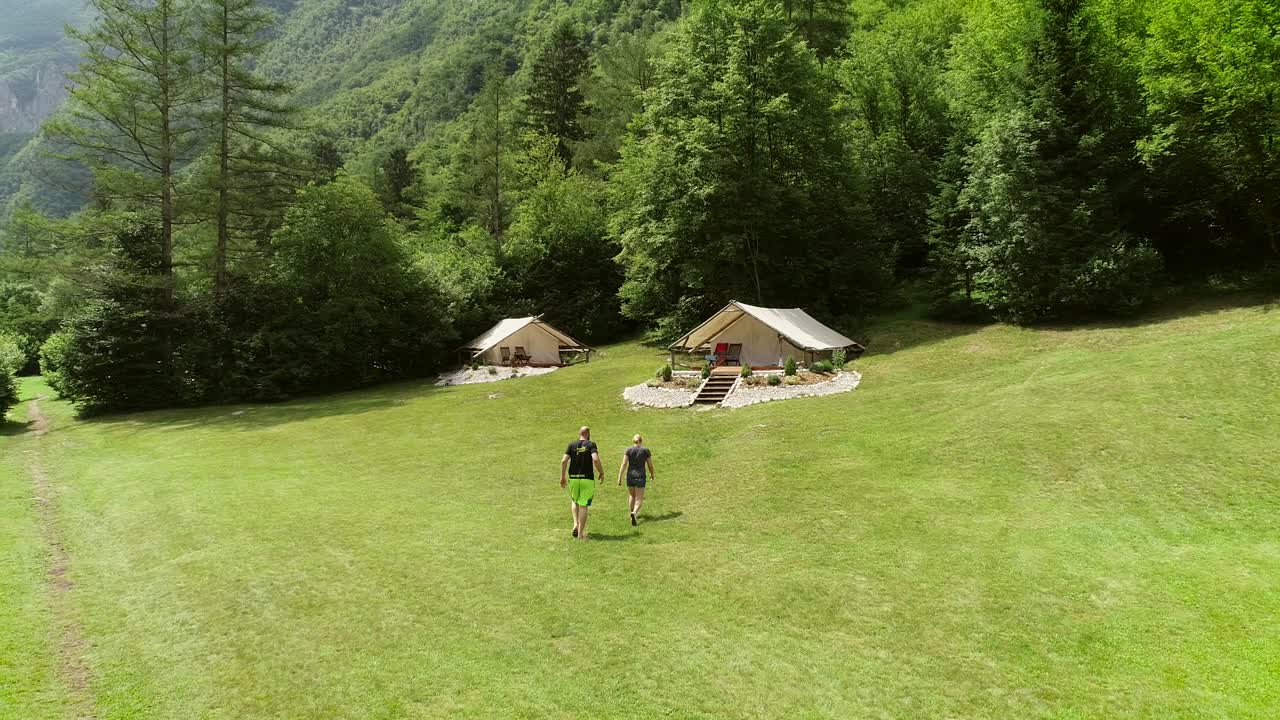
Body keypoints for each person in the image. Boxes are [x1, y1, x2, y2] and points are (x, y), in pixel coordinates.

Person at [561, 426, 604, 540]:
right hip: (587, 479)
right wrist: (601, 472)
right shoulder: (591, 445)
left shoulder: (571, 445)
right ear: (588, 434)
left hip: (573, 478)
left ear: (579, 433)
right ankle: (580, 534)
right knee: (584, 505)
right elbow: (595, 458)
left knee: (574, 501)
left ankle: (575, 524)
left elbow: (564, 460)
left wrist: (562, 477)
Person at [617, 434, 655, 526]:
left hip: (630, 476)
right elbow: (650, 464)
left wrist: (619, 477)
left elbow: (624, 463)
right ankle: (634, 513)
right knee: (639, 498)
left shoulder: (628, 450)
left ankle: (632, 514)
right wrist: (652, 474)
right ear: (641, 441)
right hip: (640, 476)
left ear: (633, 441)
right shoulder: (645, 451)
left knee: (632, 495)